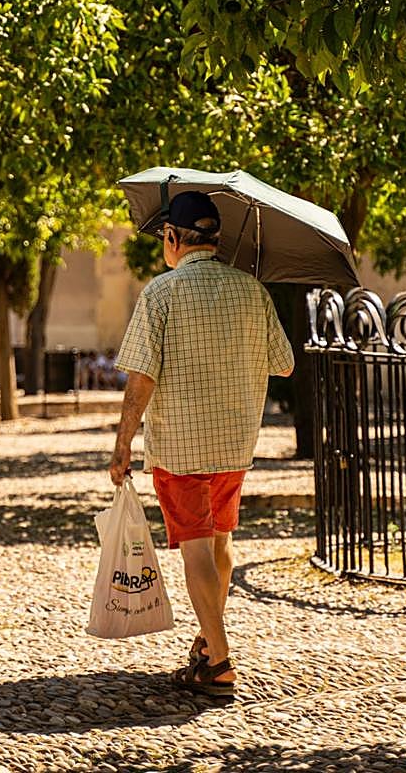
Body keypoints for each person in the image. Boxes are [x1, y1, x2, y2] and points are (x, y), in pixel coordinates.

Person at [109, 190, 294, 698]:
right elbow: (285, 364)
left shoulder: (161, 293)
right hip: (235, 444)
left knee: (195, 550)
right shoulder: (252, 290)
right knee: (220, 546)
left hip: (180, 447)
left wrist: (123, 442)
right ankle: (208, 646)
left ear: (172, 238)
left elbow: (141, 376)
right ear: (215, 239)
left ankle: (220, 661)